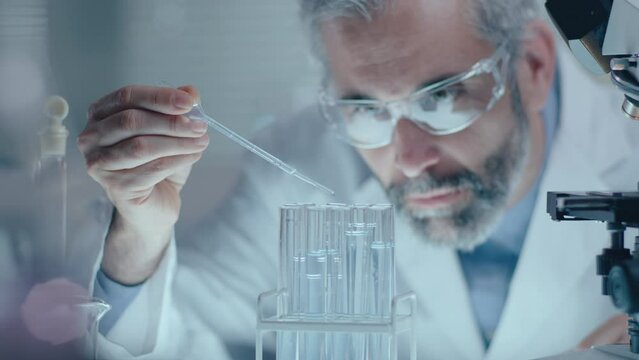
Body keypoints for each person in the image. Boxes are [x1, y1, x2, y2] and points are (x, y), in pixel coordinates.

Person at [78, 0, 639, 358]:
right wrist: (138, 232)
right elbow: (154, 341)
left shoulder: (629, 144)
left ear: (534, 67)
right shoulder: (302, 168)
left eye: (442, 98)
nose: (410, 157)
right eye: (367, 110)